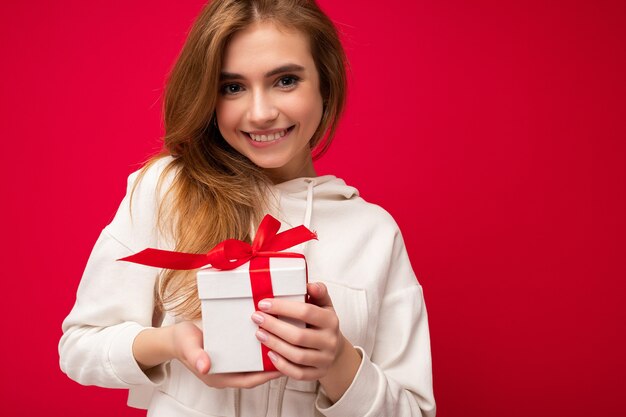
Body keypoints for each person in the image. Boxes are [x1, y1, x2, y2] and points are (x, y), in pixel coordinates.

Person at [58, 0, 436, 416]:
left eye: (286, 80)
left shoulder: (374, 233)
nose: (261, 113)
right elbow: (79, 348)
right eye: (232, 87)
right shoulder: (166, 189)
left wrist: (339, 363)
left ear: (325, 84)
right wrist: (172, 344)